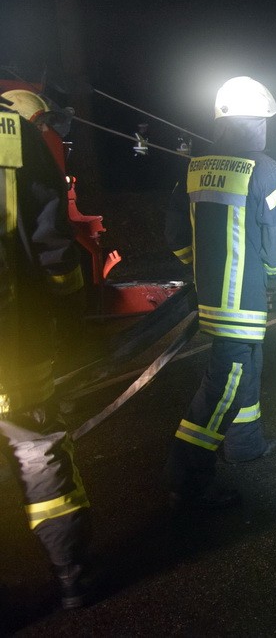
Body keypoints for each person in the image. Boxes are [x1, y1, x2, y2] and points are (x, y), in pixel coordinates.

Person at [163, 77, 276, 509]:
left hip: (211, 296)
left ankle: (245, 444)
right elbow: (274, 245)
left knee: (247, 365)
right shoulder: (266, 170)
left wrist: (196, 268)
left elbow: (176, 232)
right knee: (224, 384)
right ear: (254, 122)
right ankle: (187, 478)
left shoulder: (194, 166)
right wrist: (274, 277)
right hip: (246, 300)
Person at [1, 97, 91, 608]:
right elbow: (51, 235)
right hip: (19, 333)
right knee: (37, 450)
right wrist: (68, 303)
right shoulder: (12, 129)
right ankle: (71, 578)